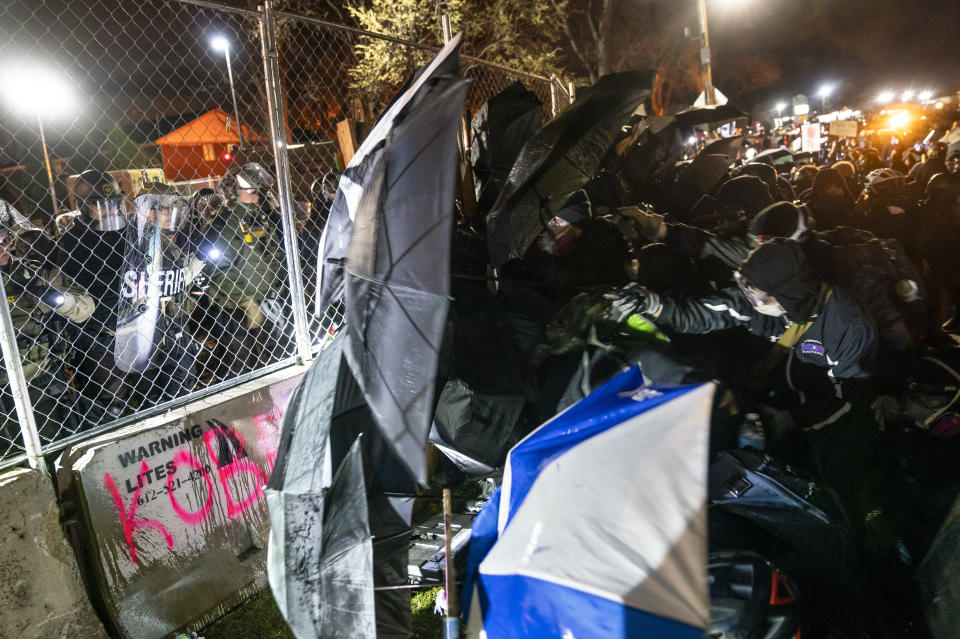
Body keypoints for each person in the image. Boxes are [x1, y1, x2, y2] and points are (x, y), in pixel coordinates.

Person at [636, 240, 877, 428]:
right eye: (745, 287)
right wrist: (655, 306)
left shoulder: (848, 330)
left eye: (755, 292)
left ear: (785, 295)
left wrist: (791, 420)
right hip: (772, 388)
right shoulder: (763, 298)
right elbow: (702, 315)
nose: (748, 299)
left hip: (810, 414)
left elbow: (849, 401)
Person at [0, 200, 95, 442]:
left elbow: (86, 307)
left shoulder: (32, 274)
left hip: (45, 378)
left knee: (67, 442)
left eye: (4, 241)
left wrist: (59, 301)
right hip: (6, 390)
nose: (2, 249)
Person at [117, 183, 204, 405]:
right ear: (148, 210)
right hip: (150, 331)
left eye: (171, 208)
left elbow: (176, 282)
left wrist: (195, 267)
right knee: (155, 395)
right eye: (164, 208)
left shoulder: (165, 240)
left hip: (176, 327)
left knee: (183, 384)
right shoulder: (135, 241)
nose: (169, 214)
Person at [199, 168, 287, 380]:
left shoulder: (260, 218)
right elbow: (219, 272)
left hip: (267, 301)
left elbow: (275, 255)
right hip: (234, 310)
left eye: (257, 190)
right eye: (250, 190)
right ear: (233, 193)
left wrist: (277, 286)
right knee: (240, 369)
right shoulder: (222, 225)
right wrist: (248, 302)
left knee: (278, 362)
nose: (256, 195)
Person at [57, 170, 130, 422]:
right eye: (101, 206)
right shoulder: (70, 242)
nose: (110, 211)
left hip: (137, 329)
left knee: (149, 397)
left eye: (113, 204)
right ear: (82, 207)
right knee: (111, 410)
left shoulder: (128, 233)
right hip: (98, 338)